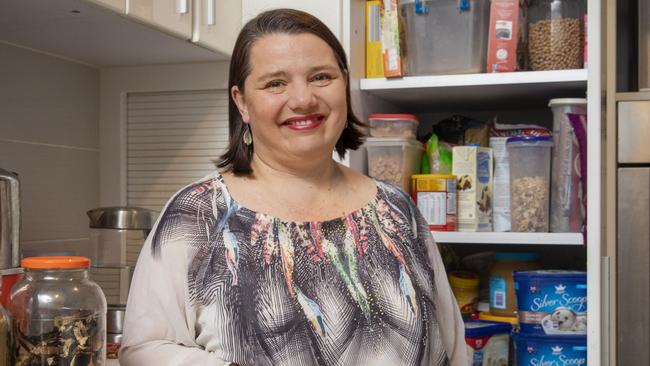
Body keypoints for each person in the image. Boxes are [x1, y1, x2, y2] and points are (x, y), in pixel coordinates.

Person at [120, 8, 467, 366]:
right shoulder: (196, 214)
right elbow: (145, 349)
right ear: (242, 102)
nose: (302, 99)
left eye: (321, 77)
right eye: (275, 83)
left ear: (343, 84)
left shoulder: (397, 208)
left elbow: (454, 349)